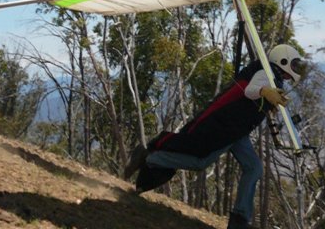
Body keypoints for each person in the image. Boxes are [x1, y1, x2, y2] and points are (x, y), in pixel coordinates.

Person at [124, 44, 303, 229]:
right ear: (283, 61)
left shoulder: (274, 79)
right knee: (199, 163)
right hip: (226, 126)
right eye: (294, 64)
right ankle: (150, 158)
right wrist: (265, 91)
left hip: (238, 131)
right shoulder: (266, 73)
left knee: (254, 167)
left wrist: (269, 102)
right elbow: (250, 90)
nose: (295, 69)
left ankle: (239, 220)